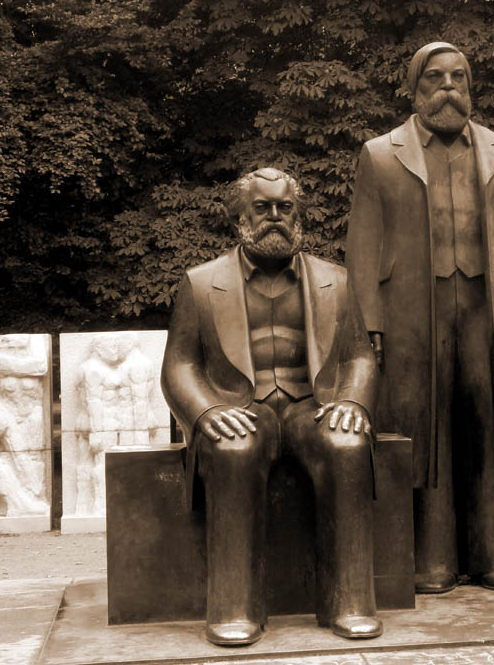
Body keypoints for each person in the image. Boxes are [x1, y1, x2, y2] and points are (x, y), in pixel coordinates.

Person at [346, 41, 494, 595]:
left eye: (458, 77)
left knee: (493, 429)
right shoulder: (379, 154)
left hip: (493, 307)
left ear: (470, 86)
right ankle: (431, 559)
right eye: (435, 78)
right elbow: (363, 248)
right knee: (424, 427)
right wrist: (366, 324)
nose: (448, 87)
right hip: (413, 309)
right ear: (415, 90)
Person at [161, 168, 381, 647]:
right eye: (262, 208)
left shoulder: (337, 281)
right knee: (233, 447)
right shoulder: (200, 284)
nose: (275, 217)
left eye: (285, 208)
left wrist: (354, 401)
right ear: (241, 215)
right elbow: (178, 368)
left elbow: (361, 354)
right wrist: (204, 413)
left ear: (298, 215)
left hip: (312, 405)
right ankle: (234, 609)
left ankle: (350, 602)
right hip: (241, 407)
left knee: (347, 444)